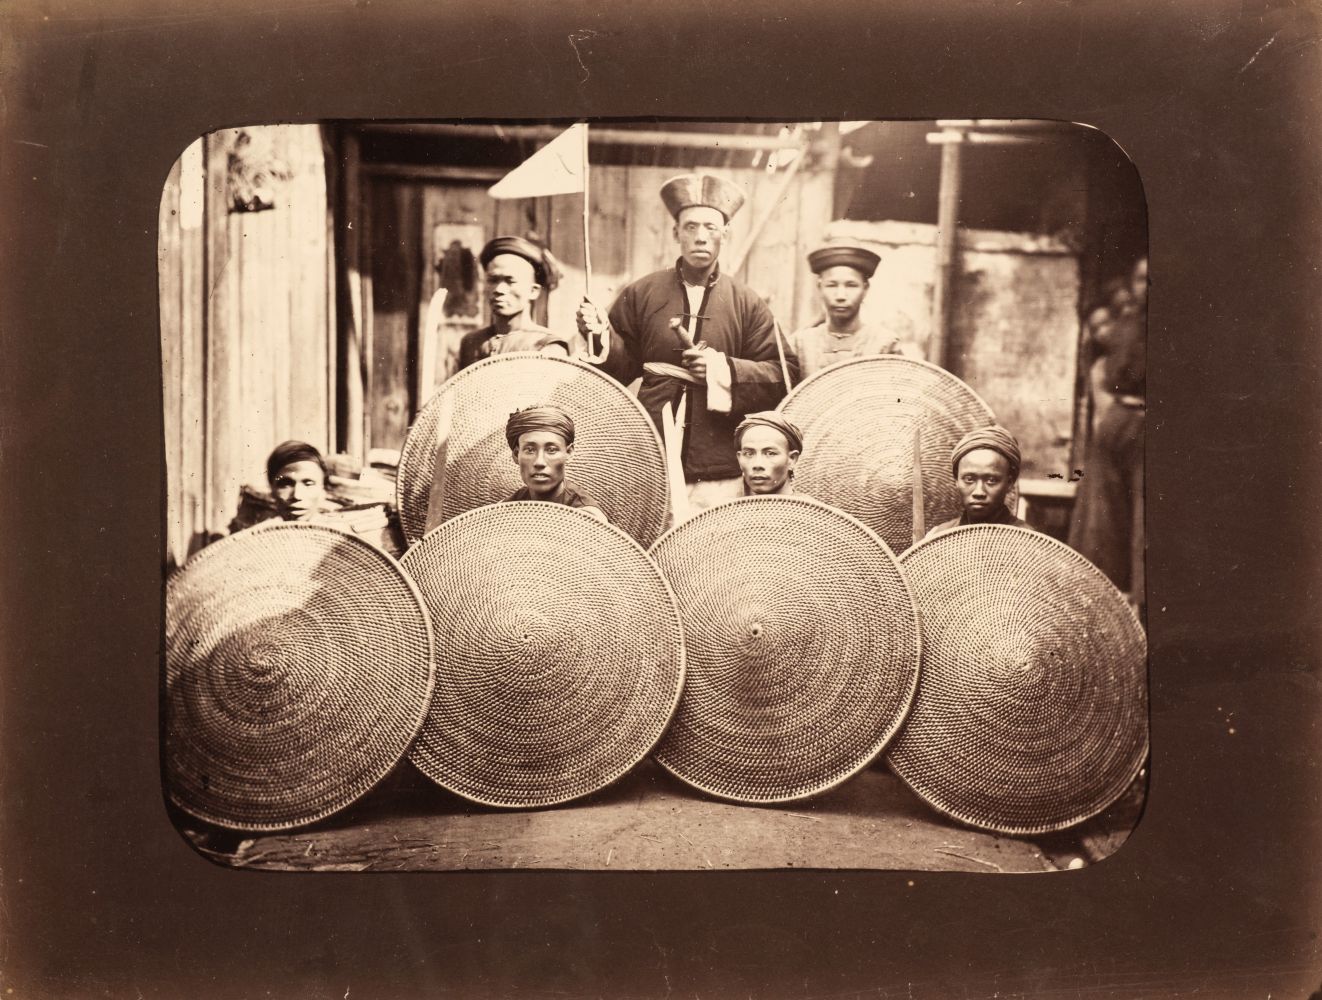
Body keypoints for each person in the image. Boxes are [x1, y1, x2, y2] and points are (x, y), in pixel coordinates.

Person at [575, 173, 798, 512]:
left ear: (726, 235)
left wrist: (721, 368)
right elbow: (621, 366)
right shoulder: (643, 292)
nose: (700, 237)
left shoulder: (746, 302)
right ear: (675, 233)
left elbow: (781, 374)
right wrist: (600, 334)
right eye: (691, 227)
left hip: (717, 460)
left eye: (711, 228)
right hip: (653, 449)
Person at [1070, 256, 1146, 603]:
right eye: (1142, 279)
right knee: (1103, 513)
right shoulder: (1121, 339)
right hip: (1117, 428)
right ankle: (1100, 591)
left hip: (1140, 427)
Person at [790, 241, 920, 379]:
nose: (840, 296)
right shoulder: (801, 344)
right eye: (831, 285)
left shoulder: (884, 344)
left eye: (851, 285)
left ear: (865, 288)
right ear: (819, 287)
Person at [458, 236, 576, 369]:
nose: (499, 289)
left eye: (510, 281)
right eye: (492, 280)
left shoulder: (546, 346)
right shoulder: (471, 343)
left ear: (533, 291)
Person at [503, 406, 608, 523]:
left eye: (551, 450)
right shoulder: (505, 510)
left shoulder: (587, 518)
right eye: (530, 450)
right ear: (516, 455)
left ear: (568, 452)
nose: (539, 462)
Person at [925, 426, 1030, 537]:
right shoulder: (938, 537)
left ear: (1009, 483)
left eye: (991, 480)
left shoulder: (1029, 541)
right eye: (969, 479)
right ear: (956, 480)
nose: (979, 492)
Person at [734, 411, 803, 497]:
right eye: (748, 454)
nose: (757, 464)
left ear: (792, 459)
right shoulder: (725, 509)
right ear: (739, 458)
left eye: (770, 453)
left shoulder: (812, 510)